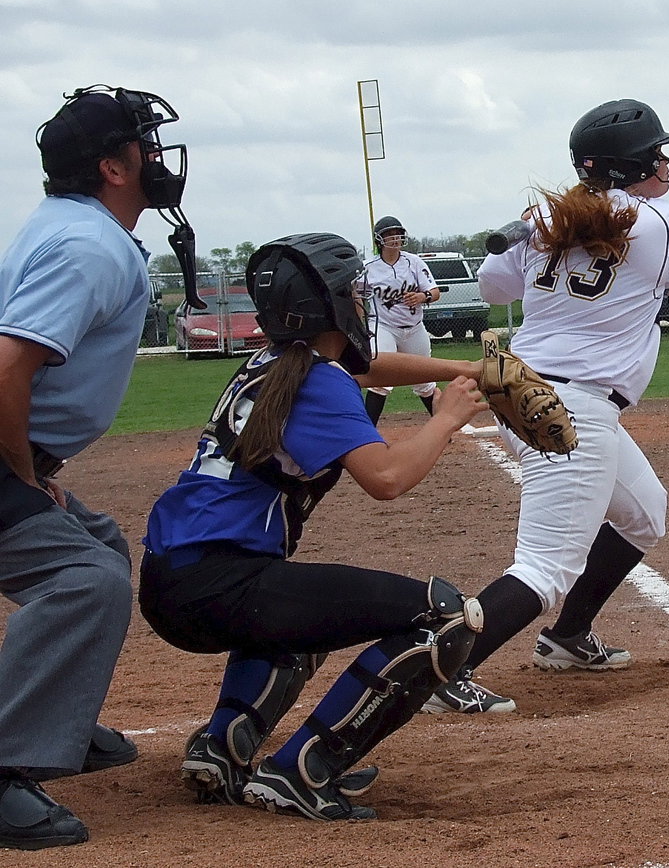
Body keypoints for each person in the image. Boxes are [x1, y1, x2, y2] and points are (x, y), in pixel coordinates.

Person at [137, 232, 494, 822]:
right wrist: (447, 418)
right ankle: (304, 769)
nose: (359, 303)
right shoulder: (317, 379)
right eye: (351, 294)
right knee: (448, 615)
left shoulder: (275, 362)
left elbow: (368, 365)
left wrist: (463, 367)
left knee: (300, 614)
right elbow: (386, 479)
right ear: (326, 307)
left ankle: (224, 748)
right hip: (222, 583)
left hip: (171, 580)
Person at [420, 98, 669, 716]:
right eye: (657, 153)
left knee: (645, 512)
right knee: (545, 565)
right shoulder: (662, 222)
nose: (666, 162)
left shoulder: (554, 222)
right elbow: (627, 236)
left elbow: (493, 286)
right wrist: (561, 219)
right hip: (570, 408)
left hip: (527, 391)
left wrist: (548, 221)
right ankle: (442, 669)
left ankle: (566, 638)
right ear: (634, 165)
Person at [0, 84, 194, 851]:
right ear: (114, 168)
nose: (157, 158)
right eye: (144, 145)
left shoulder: (68, 226)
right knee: (86, 580)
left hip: (12, 449)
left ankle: (57, 720)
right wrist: (22, 473)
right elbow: (9, 368)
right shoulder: (88, 245)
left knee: (99, 544)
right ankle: (8, 765)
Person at [361, 216, 442, 422]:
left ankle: (441, 425)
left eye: (397, 233)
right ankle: (367, 431)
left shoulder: (413, 262)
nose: (394, 238)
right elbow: (356, 295)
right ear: (379, 239)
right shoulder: (368, 267)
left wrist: (422, 297)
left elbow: (434, 291)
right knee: (380, 379)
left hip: (414, 327)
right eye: (389, 234)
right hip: (384, 327)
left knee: (424, 380)